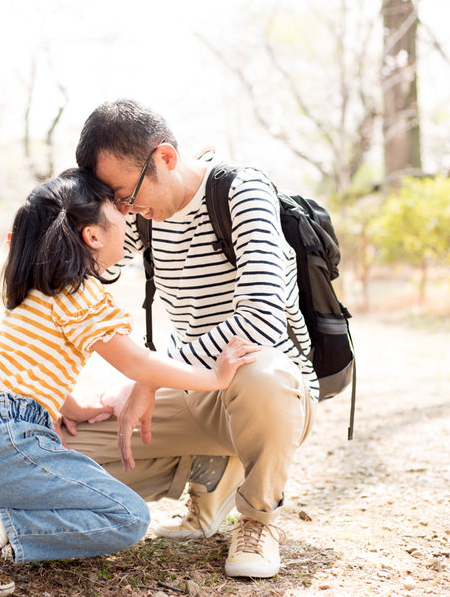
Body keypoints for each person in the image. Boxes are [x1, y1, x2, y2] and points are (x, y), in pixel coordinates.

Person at [0, 169, 261, 596]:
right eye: (118, 212)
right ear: (93, 237)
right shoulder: (83, 294)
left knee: (81, 488)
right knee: (127, 517)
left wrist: (72, 407)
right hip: (2, 439)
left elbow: (27, 365)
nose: (129, 217)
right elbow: (138, 364)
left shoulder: (36, 292)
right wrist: (212, 376)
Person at [60, 99, 319, 579]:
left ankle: (258, 519)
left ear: (166, 159)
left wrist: (149, 375)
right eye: (114, 201)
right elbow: (79, 277)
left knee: (259, 373)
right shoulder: (139, 214)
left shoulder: (242, 191)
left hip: (271, 392)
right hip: (196, 389)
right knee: (58, 447)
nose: (124, 209)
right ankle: (210, 470)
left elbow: (261, 321)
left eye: (125, 194)